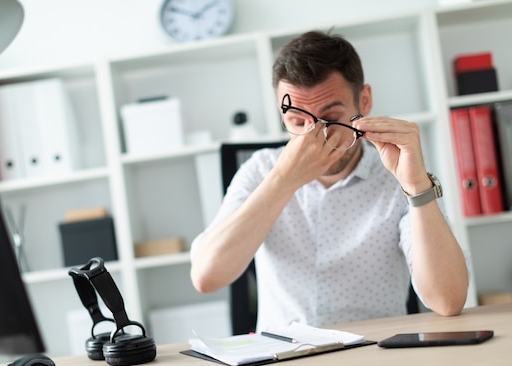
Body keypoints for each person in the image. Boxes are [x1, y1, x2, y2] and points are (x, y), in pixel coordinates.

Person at [190, 30, 469, 332]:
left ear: (364, 100)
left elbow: (448, 301)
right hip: (285, 360)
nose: (315, 137)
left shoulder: (395, 175)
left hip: (376, 354)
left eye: (331, 117)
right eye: (298, 122)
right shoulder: (260, 171)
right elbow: (207, 277)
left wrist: (417, 187)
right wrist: (283, 181)